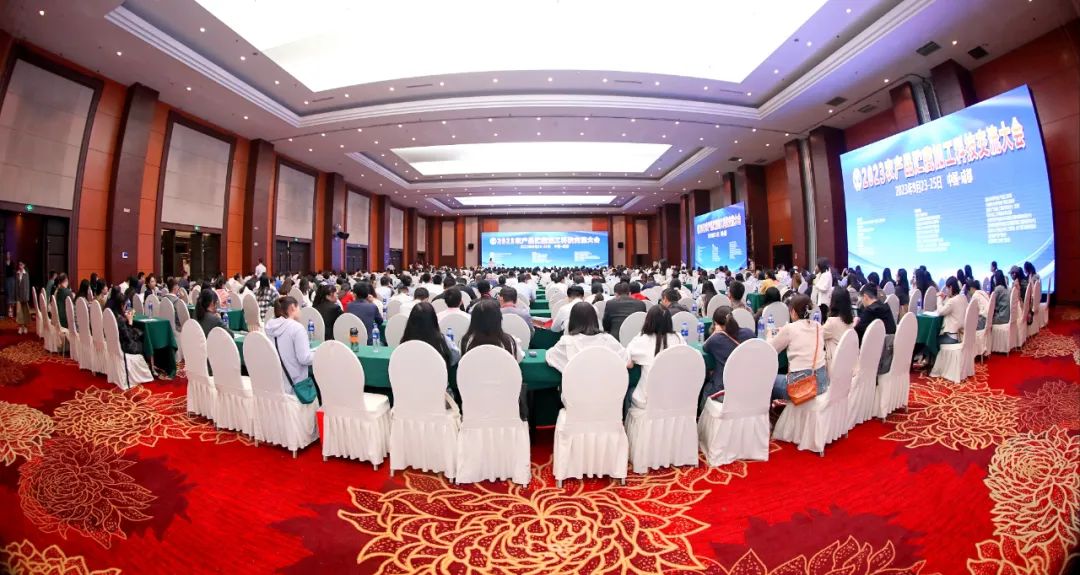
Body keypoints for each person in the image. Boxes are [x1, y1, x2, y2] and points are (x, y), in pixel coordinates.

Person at [460, 299, 526, 420]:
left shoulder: (465, 342)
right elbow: (518, 360)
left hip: (474, 400)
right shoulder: (509, 341)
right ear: (499, 319)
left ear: (473, 320)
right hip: (505, 400)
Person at [767, 295, 829, 401]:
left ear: (793, 312)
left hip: (801, 387)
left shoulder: (790, 329)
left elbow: (770, 350)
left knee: (767, 380)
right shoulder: (818, 326)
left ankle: (773, 410)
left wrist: (769, 335)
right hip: (822, 383)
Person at [628, 306, 686, 408]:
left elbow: (628, 363)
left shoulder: (641, 341)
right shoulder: (678, 338)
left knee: (629, 391)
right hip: (674, 397)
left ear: (648, 321)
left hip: (648, 401)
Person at [546, 302, 627, 373]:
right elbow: (626, 359)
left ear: (572, 320)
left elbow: (550, 356)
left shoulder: (566, 341)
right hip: (608, 385)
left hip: (575, 385)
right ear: (595, 319)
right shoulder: (608, 339)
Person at [263, 296, 317, 398]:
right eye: (299, 307)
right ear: (292, 307)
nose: (300, 310)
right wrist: (320, 354)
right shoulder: (297, 328)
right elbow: (305, 358)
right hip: (296, 384)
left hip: (277, 382)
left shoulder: (269, 327)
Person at [701, 306, 754, 405]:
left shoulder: (715, 339)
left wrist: (715, 333)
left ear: (715, 324)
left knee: (705, 389)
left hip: (724, 390)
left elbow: (704, 347)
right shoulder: (749, 333)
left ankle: (704, 414)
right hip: (747, 386)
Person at [401, 301, 460, 368]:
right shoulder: (443, 341)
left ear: (410, 320)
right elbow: (455, 357)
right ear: (434, 320)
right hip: (438, 374)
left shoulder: (404, 342)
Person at [823, 288, 854, 364]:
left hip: (835, 363)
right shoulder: (850, 320)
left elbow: (817, 335)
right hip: (850, 361)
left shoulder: (832, 322)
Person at [936, 277, 968, 346]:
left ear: (950, 287)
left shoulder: (952, 301)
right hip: (961, 336)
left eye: (946, 288)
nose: (946, 291)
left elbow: (940, 312)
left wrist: (939, 298)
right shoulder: (963, 298)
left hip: (951, 337)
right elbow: (950, 306)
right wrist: (945, 297)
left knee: (931, 341)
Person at [14, 262, 30, 334]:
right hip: (19, 296)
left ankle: (25, 327)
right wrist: (16, 296)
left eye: (21, 264)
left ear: (24, 265)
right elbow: (16, 286)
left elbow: (27, 286)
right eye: (19, 264)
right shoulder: (17, 273)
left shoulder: (26, 274)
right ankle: (20, 327)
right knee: (19, 312)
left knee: (25, 311)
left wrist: (27, 297)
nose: (20, 266)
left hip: (25, 296)